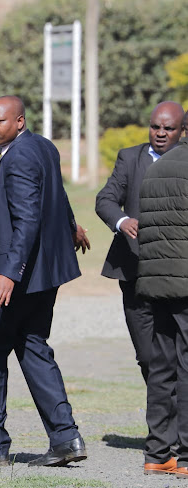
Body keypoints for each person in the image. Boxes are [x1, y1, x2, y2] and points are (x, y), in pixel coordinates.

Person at [0, 96, 89, 468]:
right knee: (34, 348)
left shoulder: (19, 155)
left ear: (19, 121)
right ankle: (66, 437)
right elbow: (53, 192)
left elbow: (27, 218)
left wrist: (8, 272)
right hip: (41, 275)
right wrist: (72, 224)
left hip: (14, 276)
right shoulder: (42, 146)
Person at [96, 101, 184, 386]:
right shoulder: (130, 158)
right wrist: (122, 222)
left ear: (182, 131)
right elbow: (105, 199)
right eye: (155, 127)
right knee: (148, 355)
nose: (160, 133)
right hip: (135, 268)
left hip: (177, 272)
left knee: (178, 353)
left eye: (168, 128)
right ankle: (161, 419)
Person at [137, 132, 188, 478]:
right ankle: (185, 455)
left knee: (162, 367)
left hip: (157, 281)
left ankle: (157, 452)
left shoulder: (157, 167)